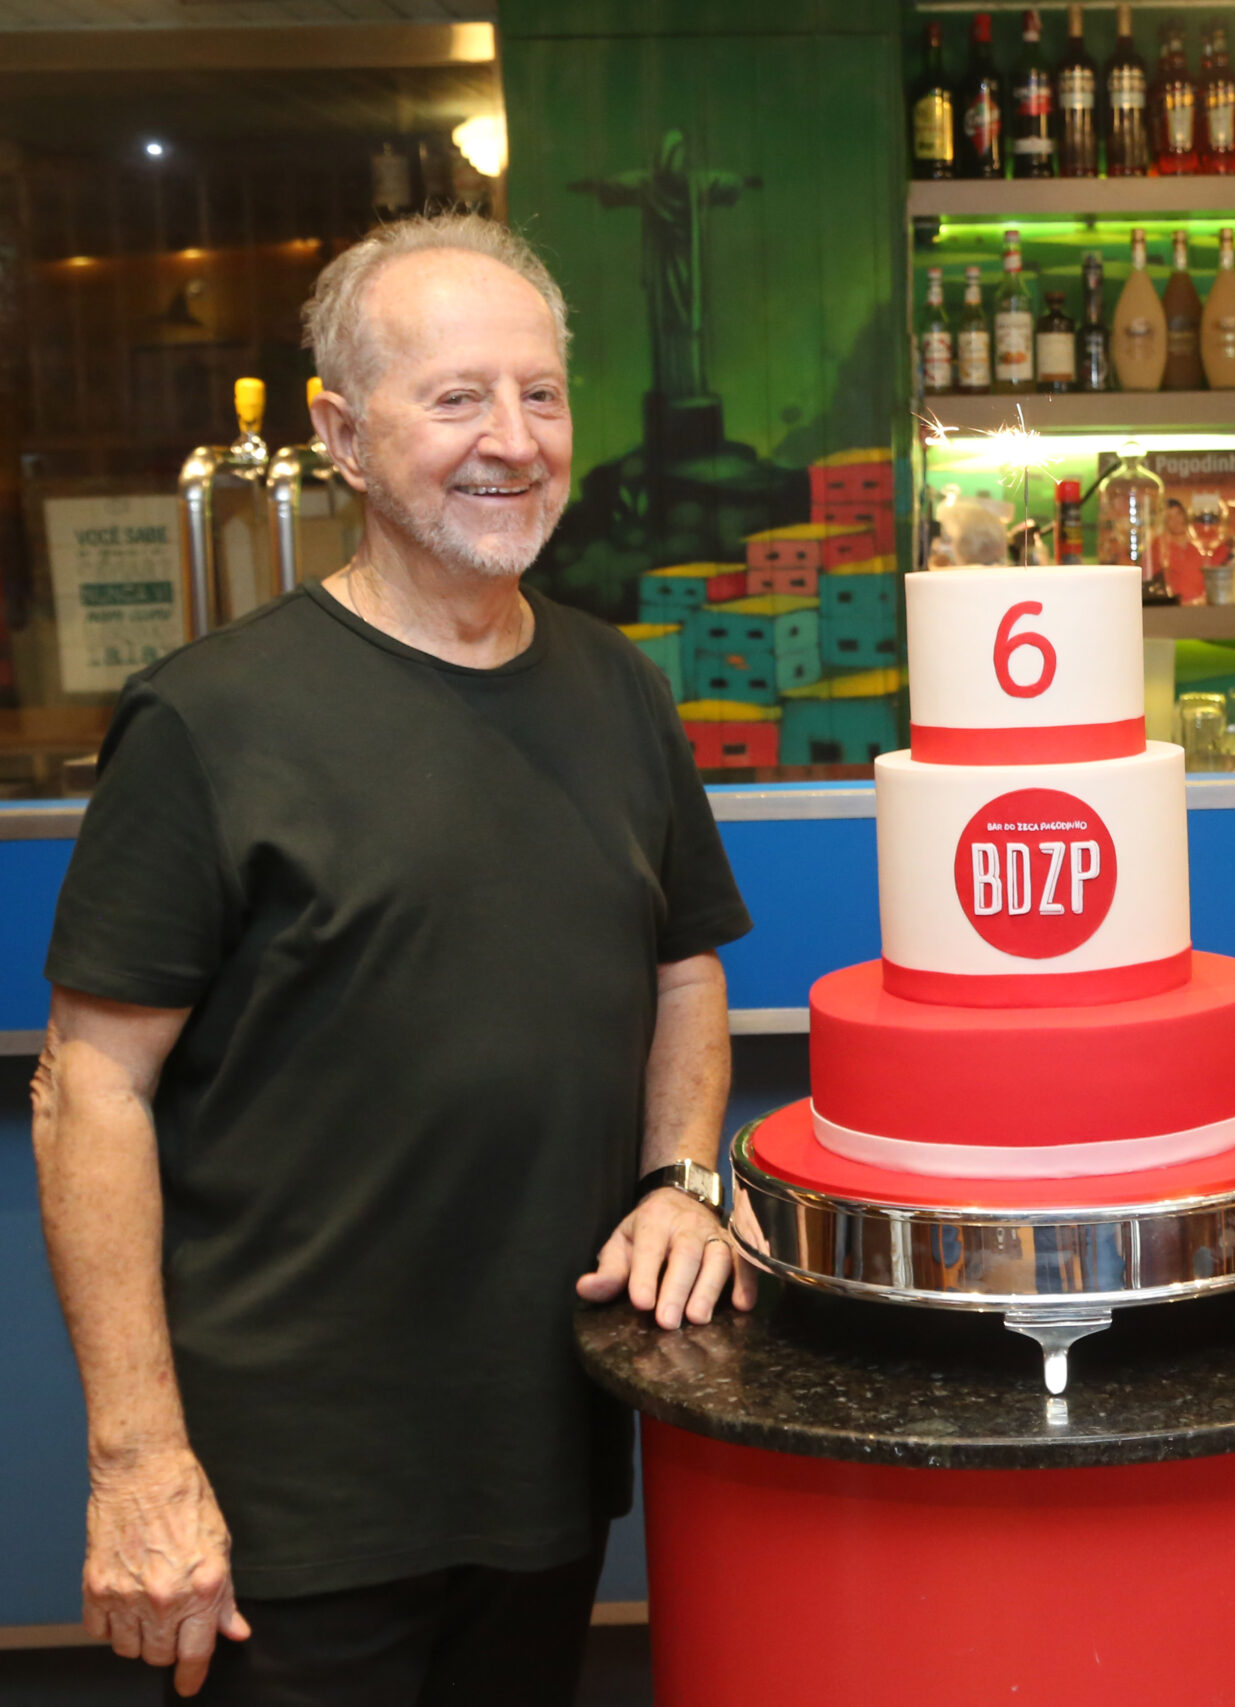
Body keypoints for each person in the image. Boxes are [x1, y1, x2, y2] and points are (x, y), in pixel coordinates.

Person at [31, 212, 755, 1703]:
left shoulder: (617, 688)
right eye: (457, 398)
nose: (514, 440)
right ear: (344, 438)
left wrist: (683, 1179)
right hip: (290, 1506)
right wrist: (138, 1465)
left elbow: (684, 969)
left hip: (544, 1459)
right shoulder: (208, 723)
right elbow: (86, 1089)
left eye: (541, 394)